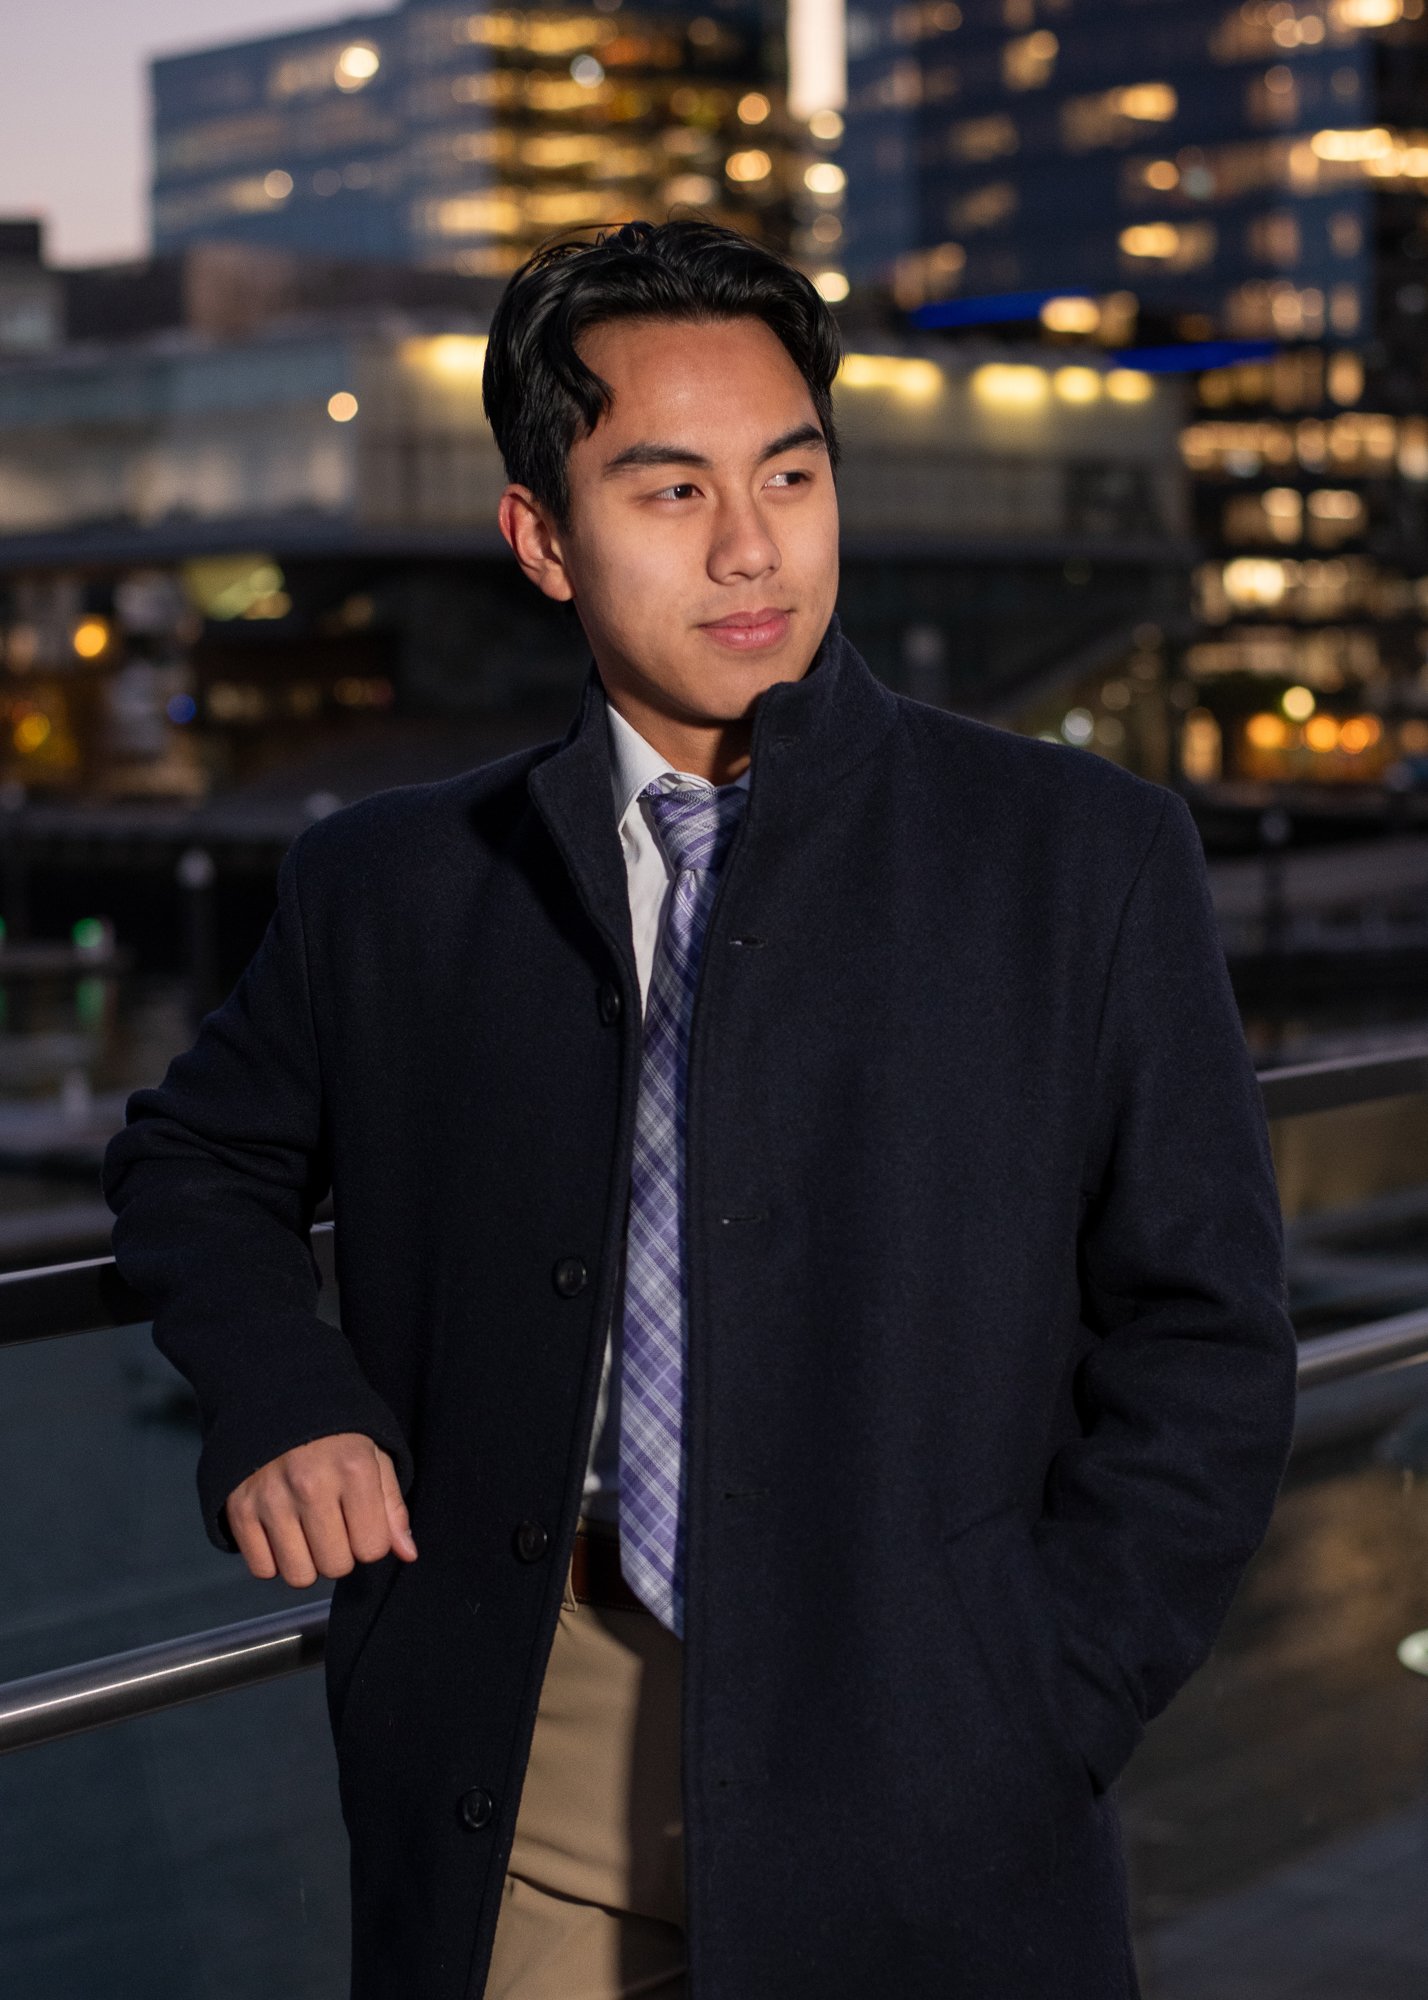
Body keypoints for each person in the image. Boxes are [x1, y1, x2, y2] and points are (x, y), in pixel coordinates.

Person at [101, 219, 1298, 2000]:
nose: (754, 550)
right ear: (542, 539)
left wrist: (1045, 1691)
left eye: (790, 475)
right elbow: (197, 1159)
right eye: (669, 493)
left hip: (928, 1742)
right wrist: (286, 1396)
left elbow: (1207, 1334)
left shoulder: (1079, 856)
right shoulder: (396, 883)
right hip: (523, 1737)